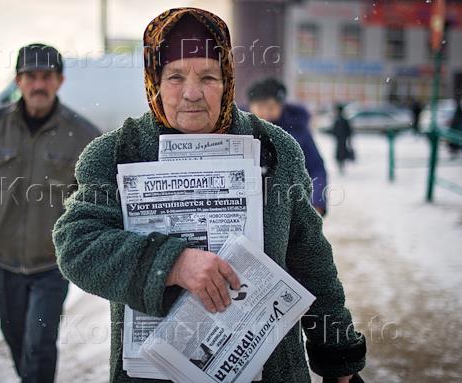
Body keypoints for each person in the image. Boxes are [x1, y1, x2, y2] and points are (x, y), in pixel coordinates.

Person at [53, 8, 366, 383]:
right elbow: (77, 245)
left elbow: (309, 257)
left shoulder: (274, 147)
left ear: (228, 79)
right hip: (154, 374)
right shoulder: (117, 153)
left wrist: (338, 357)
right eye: (175, 77)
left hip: (270, 371)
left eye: (208, 76)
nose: (192, 93)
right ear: (154, 79)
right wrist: (172, 264)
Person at [0, 43, 100, 382]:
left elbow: (94, 193)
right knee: (17, 340)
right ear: (18, 80)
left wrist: (72, 234)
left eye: (46, 76)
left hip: (51, 264)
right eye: (30, 76)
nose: (38, 84)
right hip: (1, 259)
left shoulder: (82, 134)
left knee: (40, 345)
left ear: (59, 81)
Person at [247, 78, 328, 215]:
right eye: (260, 107)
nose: (265, 113)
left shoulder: (298, 131)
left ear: (281, 106)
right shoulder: (240, 129)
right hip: (250, 207)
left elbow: (316, 168)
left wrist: (317, 201)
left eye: (271, 108)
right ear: (250, 106)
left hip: (290, 207)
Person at [332, 104, 354, 174]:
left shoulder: (340, 119)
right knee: (341, 152)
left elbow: (348, 130)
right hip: (341, 139)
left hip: (341, 139)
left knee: (341, 152)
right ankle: (341, 165)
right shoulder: (342, 119)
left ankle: (341, 165)